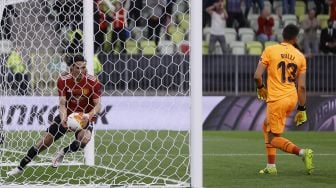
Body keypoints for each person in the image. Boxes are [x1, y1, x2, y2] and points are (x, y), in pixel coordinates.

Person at [7, 55, 101, 176]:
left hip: (84, 118)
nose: (81, 71)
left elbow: (98, 105)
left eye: (83, 67)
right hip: (67, 115)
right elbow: (62, 104)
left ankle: (62, 152)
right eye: (78, 67)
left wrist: (88, 116)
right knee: (44, 143)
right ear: (72, 67)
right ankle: (20, 167)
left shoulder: (93, 81)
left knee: (84, 140)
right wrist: (63, 119)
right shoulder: (63, 80)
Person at [254, 24, 314, 175]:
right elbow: (302, 87)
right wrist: (302, 109)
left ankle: (302, 153)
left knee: (272, 137)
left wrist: (261, 87)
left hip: (277, 99)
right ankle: (271, 166)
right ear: (295, 38)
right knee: (266, 125)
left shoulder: (270, 50)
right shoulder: (300, 57)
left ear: (283, 35)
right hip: (292, 97)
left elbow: (257, 76)